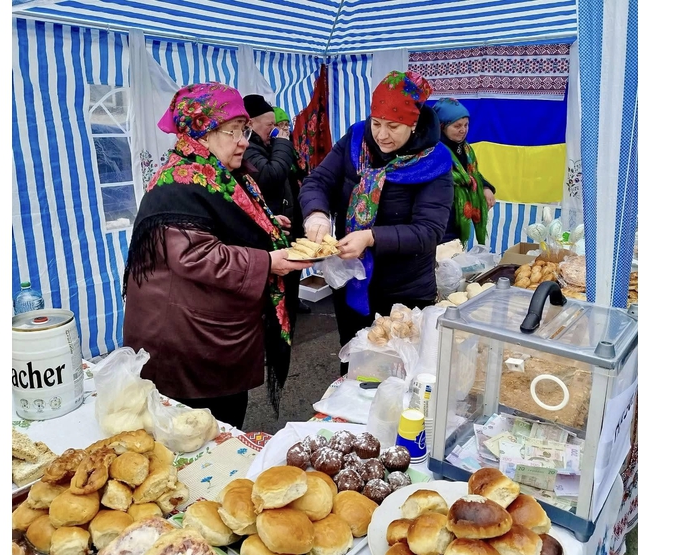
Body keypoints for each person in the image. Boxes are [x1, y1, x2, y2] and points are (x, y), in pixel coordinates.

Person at [121, 83, 312, 428]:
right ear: (201, 134)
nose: (244, 141)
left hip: (209, 331)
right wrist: (268, 260)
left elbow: (228, 219)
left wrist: (266, 225)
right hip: (186, 341)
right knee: (199, 433)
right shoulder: (179, 184)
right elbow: (196, 255)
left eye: (244, 130)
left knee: (223, 422)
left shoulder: (216, 172)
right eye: (233, 131)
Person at [299, 70, 453, 366]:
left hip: (403, 291)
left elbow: (428, 231)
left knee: (397, 368)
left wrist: (371, 237)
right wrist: (317, 214)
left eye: (393, 126)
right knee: (355, 361)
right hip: (353, 281)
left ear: (414, 123)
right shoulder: (355, 141)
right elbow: (318, 182)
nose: (382, 134)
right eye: (377, 123)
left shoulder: (434, 162)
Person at [242, 95, 312, 314]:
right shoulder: (249, 148)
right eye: (271, 125)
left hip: (285, 219)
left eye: (280, 125)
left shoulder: (266, 145)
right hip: (267, 233)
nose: (276, 130)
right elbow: (271, 176)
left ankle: (291, 305)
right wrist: (282, 142)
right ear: (251, 123)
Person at [431, 98, 497, 246]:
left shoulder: (465, 149)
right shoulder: (433, 151)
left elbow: (471, 174)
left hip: (458, 217)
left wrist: (485, 187)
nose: (463, 130)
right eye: (457, 126)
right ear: (442, 126)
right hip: (440, 216)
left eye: (466, 125)